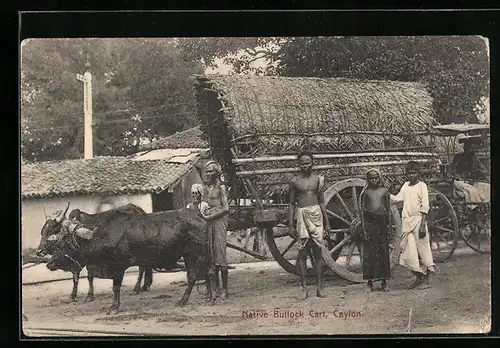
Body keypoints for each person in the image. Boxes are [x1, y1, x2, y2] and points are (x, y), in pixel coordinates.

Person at [288, 151, 331, 299]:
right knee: (303, 253)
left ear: (313, 163)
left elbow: (321, 202)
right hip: (301, 215)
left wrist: (327, 222)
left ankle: (320, 287)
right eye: (302, 163)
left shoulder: (318, 180)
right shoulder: (294, 182)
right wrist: (290, 224)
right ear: (298, 165)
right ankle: (304, 287)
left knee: (318, 253)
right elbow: (291, 204)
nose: (305, 166)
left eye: (308, 162)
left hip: (316, 215)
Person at [390, 161, 435, 290]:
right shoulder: (405, 186)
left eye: (414, 173)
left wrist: (422, 225)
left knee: (423, 248)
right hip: (407, 221)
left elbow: (425, 206)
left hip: (418, 220)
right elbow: (397, 199)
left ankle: (426, 279)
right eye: (409, 173)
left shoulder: (422, 186)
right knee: (408, 250)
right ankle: (418, 277)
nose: (411, 175)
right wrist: (386, 195)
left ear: (418, 173)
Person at [202, 160, 230, 300]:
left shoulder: (221, 187)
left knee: (220, 252)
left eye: (211, 171)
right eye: (207, 171)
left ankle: (225, 289)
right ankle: (215, 290)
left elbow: (225, 208)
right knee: (210, 254)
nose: (208, 174)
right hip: (209, 219)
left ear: (217, 172)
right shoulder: (207, 187)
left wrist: (211, 216)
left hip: (219, 219)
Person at [360, 168, 391, 292]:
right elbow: (362, 211)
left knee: (383, 252)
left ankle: (384, 281)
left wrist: (389, 227)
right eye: (371, 178)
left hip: (382, 224)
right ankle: (369, 282)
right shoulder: (366, 193)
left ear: (380, 178)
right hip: (370, 224)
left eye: (376, 178)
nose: (374, 180)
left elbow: (388, 210)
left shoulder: (384, 192)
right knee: (370, 254)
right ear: (367, 180)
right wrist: (363, 227)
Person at [450, 135, 490, 207]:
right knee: (472, 191)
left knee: (487, 187)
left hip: (472, 181)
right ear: (464, 148)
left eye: (471, 148)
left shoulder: (474, 158)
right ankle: (474, 208)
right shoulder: (458, 157)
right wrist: (459, 177)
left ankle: (483, 206)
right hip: (459, 181)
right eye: (468, 147)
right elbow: (453, 171)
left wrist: (479, 171)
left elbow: (484, 170)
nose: (470, 150)